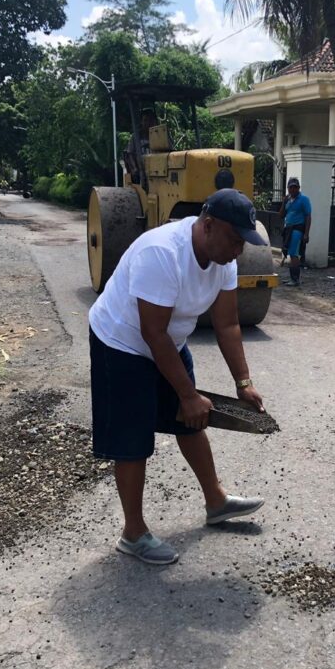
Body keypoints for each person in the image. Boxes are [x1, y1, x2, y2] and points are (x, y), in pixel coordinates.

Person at [88, 188, 268, 565]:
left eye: (243, 242)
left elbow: (228, 323)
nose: (239, 250)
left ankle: (216, 501)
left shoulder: (224, 261)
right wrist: (186, 393)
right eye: (235, 240)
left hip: (167, 341)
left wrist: (244, 383)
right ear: (207, 225)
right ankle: (133, 533)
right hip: (122, 341)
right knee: (133, 437)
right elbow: (151, 332)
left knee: (192, 420)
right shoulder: (163, 252)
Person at [281, 177, 311, 286]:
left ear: (298, 188)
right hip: (288, 229)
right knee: (290, 253)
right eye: (291, 187)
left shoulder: (304, 199)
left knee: (294, 254)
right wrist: (284, 203)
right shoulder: (288, 200)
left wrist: (306, 233)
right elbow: (281, 215)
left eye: (295, 187)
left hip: (297, 229)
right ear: (288, 188)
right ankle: (292, 277)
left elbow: (308, 216)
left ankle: (295, 279)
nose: (293, 190)